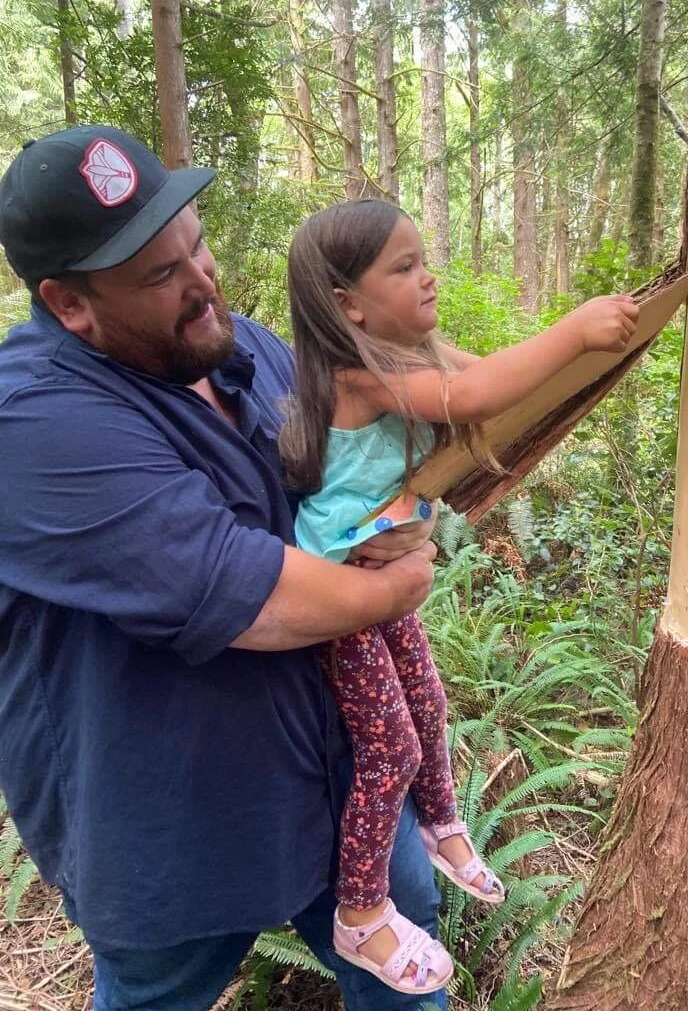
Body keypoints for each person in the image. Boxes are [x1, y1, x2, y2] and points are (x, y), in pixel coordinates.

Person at [0, 126, 450, 1011]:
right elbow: (251, 595)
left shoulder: (247, 349)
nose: (203, 281)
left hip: (338, 772)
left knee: (405, 973)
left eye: (196, 245)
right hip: (174, 822)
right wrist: (395, 587)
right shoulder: (33, 421)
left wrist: (408, 520)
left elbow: (353, 480)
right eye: (160, 275)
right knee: (158, 995)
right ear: (70, 303)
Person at [279, 200, 641, 992]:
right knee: (391, 748)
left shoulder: (407, 355)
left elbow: (493, 377)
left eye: (423, 259)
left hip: (378, 576)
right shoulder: (358, 374)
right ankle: (360, 912)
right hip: (339, 588)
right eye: (404, 267)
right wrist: (577, 329)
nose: (428, 277)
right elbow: (473, 399)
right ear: (348, 304)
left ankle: (442, 823)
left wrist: (580, 364)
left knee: (429, 701)